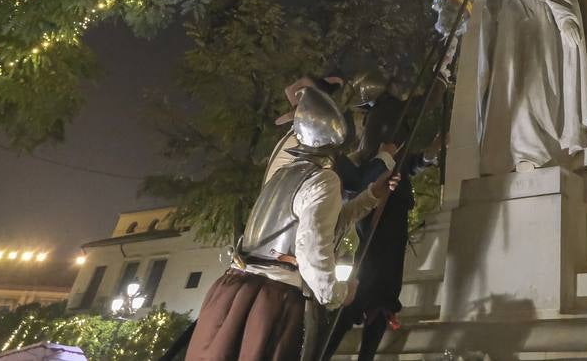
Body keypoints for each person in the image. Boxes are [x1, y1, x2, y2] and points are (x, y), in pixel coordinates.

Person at [186, 83, 397, 361]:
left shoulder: (283, 173)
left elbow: (322, 225)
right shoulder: (324, 178)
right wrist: (339, 294)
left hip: (232, 291)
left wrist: (371, 196)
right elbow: (313, 252)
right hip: (271, 302)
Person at [321, 94, 440, 361]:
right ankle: (324, 352)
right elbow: (355, 183)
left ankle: (365, 354)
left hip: (394, 224)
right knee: (361, 290)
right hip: (371, 221)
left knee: (384, 294)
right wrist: (383, 163)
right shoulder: (359, 161)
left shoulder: (395, 159)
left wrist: (430, 154)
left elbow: (413, 163)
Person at [474, 0, 587, 175]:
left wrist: (566, 21)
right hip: (509, 39)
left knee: (535, 91)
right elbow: (492, 10)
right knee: (509, 91)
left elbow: (563, 1)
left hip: (539, 35)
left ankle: (532, 152)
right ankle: (506, 154)